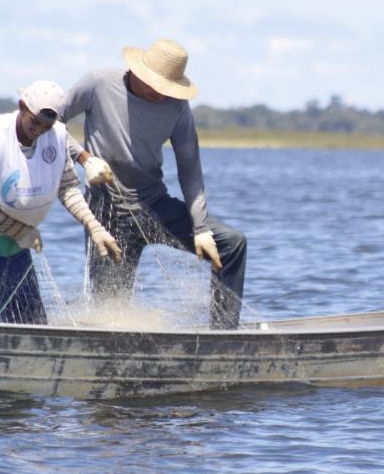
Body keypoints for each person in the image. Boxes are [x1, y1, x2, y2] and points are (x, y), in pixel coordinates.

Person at [61, 38, 247, 329]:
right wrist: (84, 159)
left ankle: (223, 336)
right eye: (158, 87)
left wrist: (200, 229)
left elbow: (190, 169)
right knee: (111, 313)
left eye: (169, 88)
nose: (163, 95)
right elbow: (51, 121)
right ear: (139, 73)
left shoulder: (177, 107)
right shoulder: (98, 84)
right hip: (107, 212)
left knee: (232, 243)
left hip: (155, 205)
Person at [0, 81, 122, 324]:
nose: (40, 129)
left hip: (14, 242)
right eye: (35, 121)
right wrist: (19, 230)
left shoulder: (57, 137)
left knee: (30, 321)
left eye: (47, 125)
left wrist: (94, 227)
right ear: (22, 107)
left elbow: (67, 188)